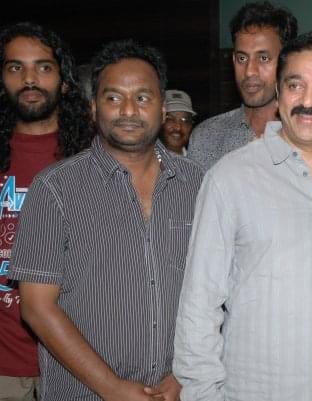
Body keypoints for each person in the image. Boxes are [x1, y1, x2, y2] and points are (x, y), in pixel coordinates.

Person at [174, 32, 312, 401]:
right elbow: (199, 305)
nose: (308, 101)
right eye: (295, 85)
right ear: (278, 93)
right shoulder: (230, 178)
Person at [8, 39, 203, 401]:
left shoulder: (200, 185)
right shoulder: (55, 188)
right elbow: (36, 307)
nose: (128, 110)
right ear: (94, 107)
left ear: (162, 108)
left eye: (142, 97)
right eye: (114, 98)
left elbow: (217, 293)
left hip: (179, 390)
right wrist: (112, 388)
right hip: (85, 393)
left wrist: (184, 373)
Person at [0, 21, 94, 401]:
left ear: (65, 81)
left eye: (43, 67)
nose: (29, 79)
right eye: (15, 67)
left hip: (81, 362)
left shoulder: (95, 157)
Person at [187, 1, 298, 174]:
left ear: (288, 62)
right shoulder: (207, 137)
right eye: (242, 58)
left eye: (263, 58)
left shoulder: (308, 134)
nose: (249, 71)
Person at [160, 89, 197, 155]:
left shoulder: (198, 160)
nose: (178, 127)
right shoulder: (143, 159)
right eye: (170, 119)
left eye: (185, 120)